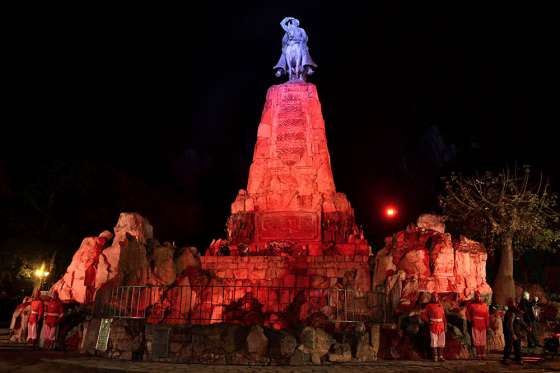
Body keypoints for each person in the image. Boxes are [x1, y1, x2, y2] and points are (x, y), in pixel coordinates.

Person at [421, 292, 447, 362]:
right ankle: (435, 356)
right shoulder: (428, 306)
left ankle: (441, 356)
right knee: (434, 341)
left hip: (441, 325)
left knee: (441, 341)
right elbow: (423, 314)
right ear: (431, 298)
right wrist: (428, 321)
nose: (435, 298)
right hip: (433, 325)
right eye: (434, 297)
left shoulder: (440, 305)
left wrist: (445, 324)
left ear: (438, 297)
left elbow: (443, 316)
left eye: (436, 297)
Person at [502, 298, 528, 365]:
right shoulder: (511, 313)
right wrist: (513, 334)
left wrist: (527, 327)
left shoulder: (518, 312)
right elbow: (509, 325)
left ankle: (518, 359)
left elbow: (521, 321)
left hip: (517, 332)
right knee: (509, 346)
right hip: (510, 333)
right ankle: (506, 358)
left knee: (518, 347)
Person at [467, 290, 490, 359]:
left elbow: (487, 315)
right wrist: (470, 320)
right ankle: (478, 355)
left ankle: (483, 354)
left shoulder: (485, 305)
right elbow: (468, 313)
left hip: (483, 325)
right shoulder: (471, 305)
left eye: (479, 296)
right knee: (476, 340)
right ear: (475, 297)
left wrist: (487, 325)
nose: (478, 298)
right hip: (475, 324)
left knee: (483, 340)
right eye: (477, 296)